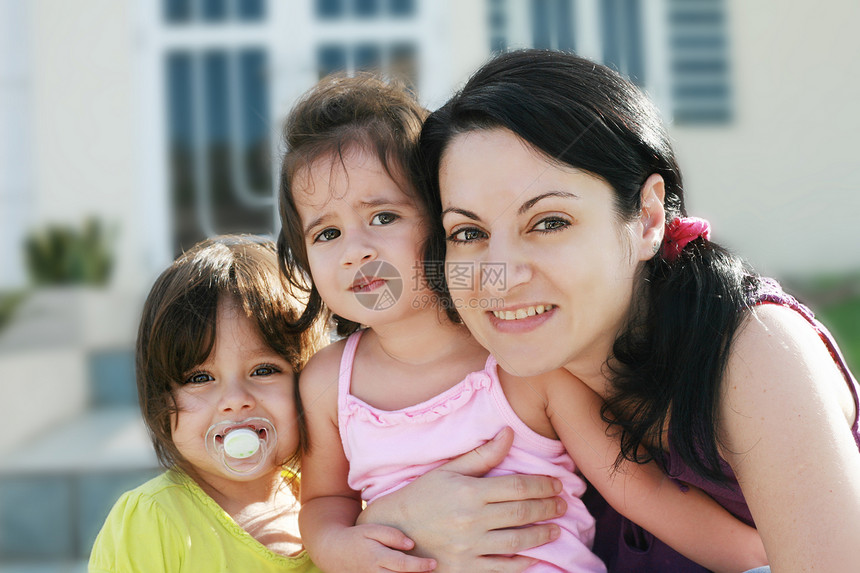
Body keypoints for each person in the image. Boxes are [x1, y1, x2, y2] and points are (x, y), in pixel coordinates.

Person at [356, 49, 860, 572]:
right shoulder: (501, 384)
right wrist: (390, 525)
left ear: (646, 217)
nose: (497, 273)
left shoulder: (757, 352)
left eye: (549, 222)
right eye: (469, 232)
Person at [277, 72, 768, 572]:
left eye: (383, 218)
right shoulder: (329, 383)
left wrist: (764, 556)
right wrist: (335, 546)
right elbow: (323, 502)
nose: (355, 250)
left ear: (442, 221)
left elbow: (640, 491)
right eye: (327, 233)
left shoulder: (520, 361)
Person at [88, 236, 325, 573]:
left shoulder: (333, 505)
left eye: (264, 370)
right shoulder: (154, 520)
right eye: (200, 378)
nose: (235, 401)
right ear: (160, 398)